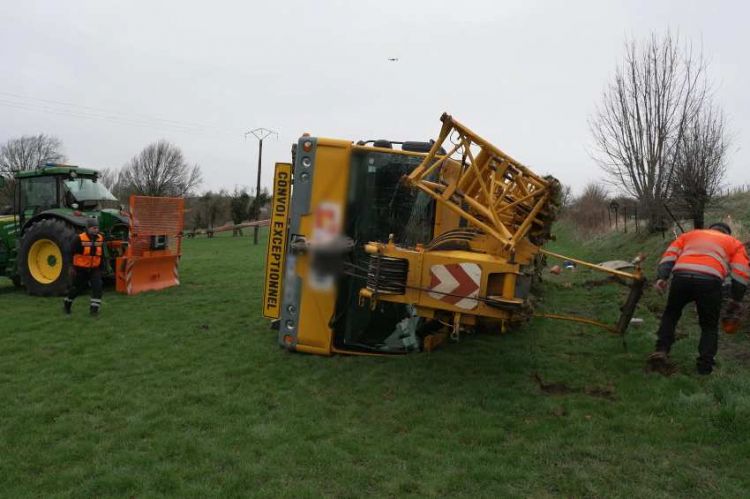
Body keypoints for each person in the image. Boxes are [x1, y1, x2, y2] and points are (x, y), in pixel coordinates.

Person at [648, 222, 749, 375]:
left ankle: (661, 351)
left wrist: (662, 277)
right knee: (709, 325)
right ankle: (705, 366)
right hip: (710, 281)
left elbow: (669, 256)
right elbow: (741, 273)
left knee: (671, 315)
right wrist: (736, 298)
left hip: (681, 277)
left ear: (709, 230)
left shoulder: (690, 235)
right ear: (727, 233)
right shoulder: (734, 243)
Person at [63, 218, 104, 316]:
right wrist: (70, 267)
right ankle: (67, 303)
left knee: (97, 288)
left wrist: (102, 267)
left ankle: (94, 311)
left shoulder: (100, 238)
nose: (96, 230)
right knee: (77, 289)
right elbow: (69, 253)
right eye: (94, 228)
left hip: (94, 269)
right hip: (81, 269)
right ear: (88, 228)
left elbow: (101, 255)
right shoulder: (79, 238)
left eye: (97, 228)